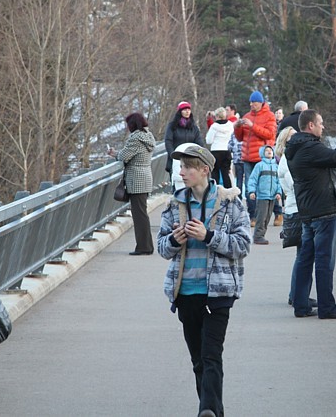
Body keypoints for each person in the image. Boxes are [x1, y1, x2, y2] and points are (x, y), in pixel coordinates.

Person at [157, 144, 251, 417]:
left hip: (218, 292)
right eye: (180, 167)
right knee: (198, 360)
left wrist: (208, 236)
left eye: (187, 167)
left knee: (211, 356)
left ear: (204, 170)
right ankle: (212, 411)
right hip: (185, 291)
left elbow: (242, 245)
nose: (182, 172)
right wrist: (175, 239)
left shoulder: (230, 202)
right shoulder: (174, 204)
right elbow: (162, 248)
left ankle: (207, 410)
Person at [285, 109, 336, 319]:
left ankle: (301, 305)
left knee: (305, 258)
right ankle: (327, 307)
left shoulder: (298, 147)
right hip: (323, 211)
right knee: (324, 261)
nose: (323, 126)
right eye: (320, 123)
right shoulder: (309, 147)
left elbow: (327, 159)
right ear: (310, 126)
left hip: (309, 211)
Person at [276, 126, 316, 308]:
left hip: (297, 209)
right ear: (285, 141)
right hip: (297, 211)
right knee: (304, 256)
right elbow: (297, 184)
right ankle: (297, 295)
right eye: (293, 137)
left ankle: (299, 294)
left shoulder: (290, 159)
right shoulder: (288, 160)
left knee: (304, 255)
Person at [109, 112, 156, 255]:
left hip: (136, 179)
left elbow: (124, 156)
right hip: (145, 177)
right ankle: (146, 246)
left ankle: (144, 247)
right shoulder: (148, 136)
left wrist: (113, 153)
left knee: (139, 215)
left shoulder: (135, 138)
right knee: (142, 213)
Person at [233, 91, 277, 226]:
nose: (252, 105)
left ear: (261, 102)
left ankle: (278, 212)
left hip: (262, 158)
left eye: (254, 102)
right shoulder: (246, 116)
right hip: (247, 158)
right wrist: (237, 127)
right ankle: (253, 216)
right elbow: (240, 138)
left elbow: (270, 134)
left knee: (266, 187)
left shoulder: (269, 116)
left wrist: (253, 126)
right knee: (249, 189)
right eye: (250, 102)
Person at [246, 145, 282, 245]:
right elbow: (253, 179)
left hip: (272, 196)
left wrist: (279, 192)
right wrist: (252, 191)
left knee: (267, 217)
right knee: (261, 217)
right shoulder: (259, 166)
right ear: (262, 153)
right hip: (262, 196)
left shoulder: (276, 167)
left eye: (270, 150)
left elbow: (279, 181)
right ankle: (258, 236)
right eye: (266, 150)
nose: (269, 151)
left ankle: (262, 235)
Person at [164, 101, 205, 186]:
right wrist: (173, 155)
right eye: (185, 109)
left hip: (191, 160)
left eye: (189, 110)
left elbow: (199, 141)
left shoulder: (193, 127)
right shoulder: (172, 126)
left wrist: (200, 153)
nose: (187, 111)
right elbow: (168, 141)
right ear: (180, 112)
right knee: (178, 183)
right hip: (175, 160)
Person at [205, 107, 234, 188]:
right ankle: (229, 194)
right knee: (226, 174)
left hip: (215, 151)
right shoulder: (230, 125)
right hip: (226, 151)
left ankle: (216, 192)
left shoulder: (214, 126)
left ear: (216, 116)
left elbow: (209, 141)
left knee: (215, 174)